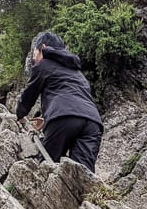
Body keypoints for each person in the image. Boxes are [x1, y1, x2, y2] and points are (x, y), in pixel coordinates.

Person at [15, 31, 103, 173]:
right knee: (82, 174)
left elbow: (29, 95)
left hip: (63, 117)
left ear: (43, 48)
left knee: (46, 169)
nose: (34, 58)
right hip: (93, 122)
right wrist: (46, 120)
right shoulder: (76, 71)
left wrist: (19, 114)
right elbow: (72, 97)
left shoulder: (43, 64)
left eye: (35, 53)